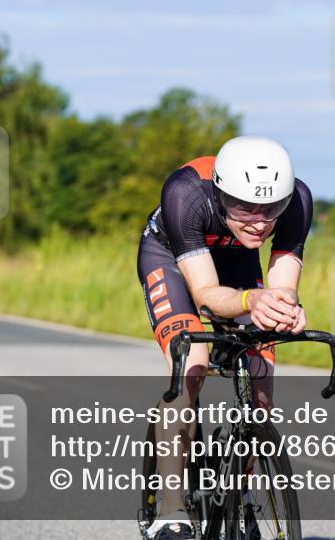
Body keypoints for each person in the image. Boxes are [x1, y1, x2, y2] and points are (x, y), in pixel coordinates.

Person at [136, 136, 313, 540]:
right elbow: (205, 295)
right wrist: (252, 300)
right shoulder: (186, 193)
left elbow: (283, 288)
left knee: (261, 380)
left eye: (272, 208)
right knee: (192, 364)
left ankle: (240, 493)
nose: (260, 222)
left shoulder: (298, 201)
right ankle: (171, 509)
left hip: (237, 263)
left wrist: (286, 308)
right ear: (220, 194)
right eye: (245, 207)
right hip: (173, 259)